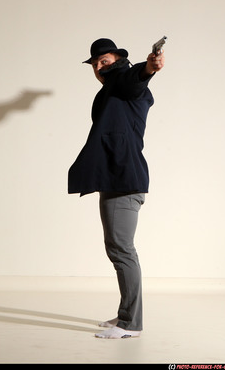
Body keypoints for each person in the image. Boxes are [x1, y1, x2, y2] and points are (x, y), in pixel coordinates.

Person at [68, 38, 165, 339]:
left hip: (125, 180)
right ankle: (125, 316)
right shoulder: (111, 92)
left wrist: (148, 68)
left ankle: (131, 325)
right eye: (95, 64)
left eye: (104, 60)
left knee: (123, 250)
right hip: (113, 180)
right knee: (116, 249)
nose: (99, 67)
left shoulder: (123, 80)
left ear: (118, 59)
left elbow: (134, 79)